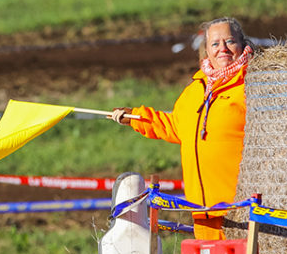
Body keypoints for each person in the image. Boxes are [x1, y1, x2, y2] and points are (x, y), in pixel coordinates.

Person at [108, 17, 254, 240]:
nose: (222, 49)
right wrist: (134, 117)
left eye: (230, 41)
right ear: (206, 50)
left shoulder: (252, 86)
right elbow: (176, 126)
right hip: (202, 210)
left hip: (241, 209)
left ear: (243, 45)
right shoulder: (195, 89)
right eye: (215, 44)